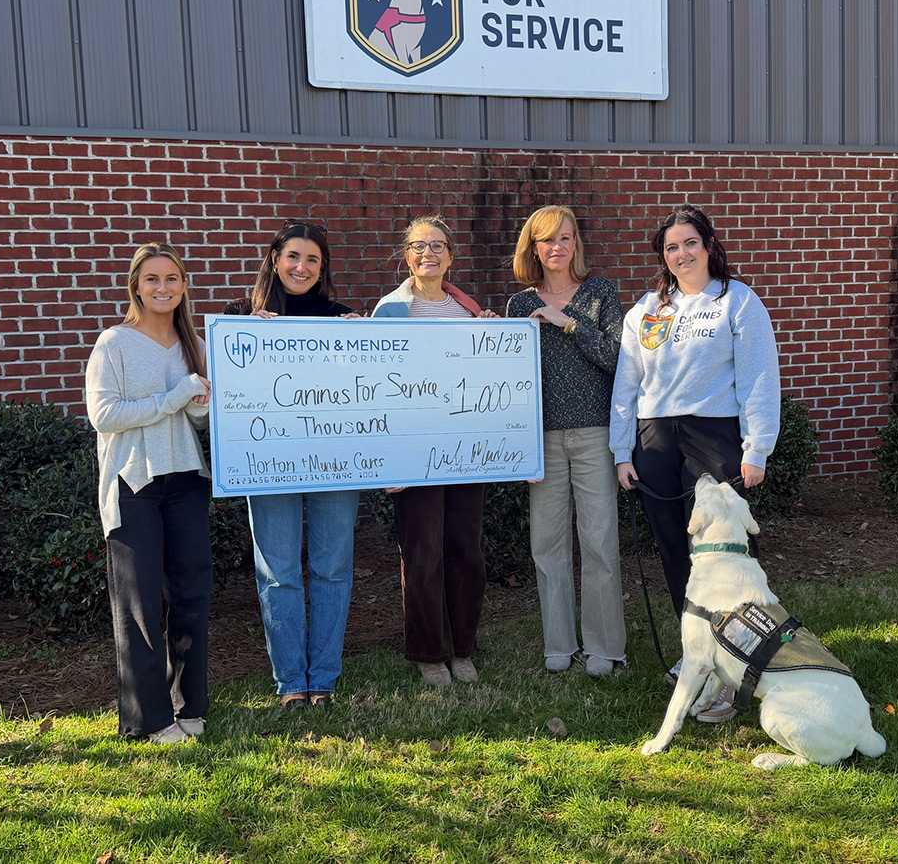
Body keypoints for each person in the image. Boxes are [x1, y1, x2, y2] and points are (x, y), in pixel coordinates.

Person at [610, 204, 780, 721]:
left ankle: (736, 665)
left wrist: (756, 448)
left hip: (714, 434)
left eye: (690, 243)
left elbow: (758, 376)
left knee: (724, 553)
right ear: (662, 256)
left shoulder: (737, 301)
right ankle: (697, 654)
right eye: (671, 247)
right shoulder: (646, 311)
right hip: (656, 437)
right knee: (673, 549)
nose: (681, 254)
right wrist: (622, 450)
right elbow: (627, 383)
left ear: (708, 246)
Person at [85, 243, 214, 744]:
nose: (163, 287)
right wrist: (173, 398)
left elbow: (195, 420)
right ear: (136, 287)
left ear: (184, 286)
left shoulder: (195, 343)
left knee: (192, 595)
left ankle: (190, 704)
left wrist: (199, 405)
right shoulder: (113, 343)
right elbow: (104, 415)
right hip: (133, 483)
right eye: (153, 279)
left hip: (186, 480)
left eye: (172, 278)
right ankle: (151, 719)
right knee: (138, 604)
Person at [372, 215, 499, 688]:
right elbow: (375, 387)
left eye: (438, 246)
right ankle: (430, 652)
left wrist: (495, 338)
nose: (428, 253)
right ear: (406, 255)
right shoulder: (389, 310)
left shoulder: (468, 310)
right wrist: (389, 460)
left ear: (451, 256)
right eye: (419, 246)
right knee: (422, 553)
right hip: (413, 451)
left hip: (465, 449)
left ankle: (462, 647)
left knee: (465, 549)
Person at [506, 205, 626, 677]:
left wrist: (570, 323)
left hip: (595, 433)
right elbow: (510, 379)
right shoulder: (519, 306)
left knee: (599, 541)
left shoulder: (599, 292)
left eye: (565, 237)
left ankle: (605, 646)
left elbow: (618, 358)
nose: (556, 247)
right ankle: (559, 643)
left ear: (576, 243)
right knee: (547, 543)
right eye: (546, 239)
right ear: (533, 248)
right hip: (542, 439)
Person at [246, 221, 359, 710]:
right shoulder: (242, 319)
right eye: (293, 256)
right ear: (275, 259)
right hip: (269, 462)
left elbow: (364, 392)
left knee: (332, 568)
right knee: (278, 573)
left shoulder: (342, 319)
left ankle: (324, 678)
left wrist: (362, 346)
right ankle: (291, 680)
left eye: (312, 259)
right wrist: (248, 338)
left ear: (322, 267)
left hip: (334, 462)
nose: (301, 267)